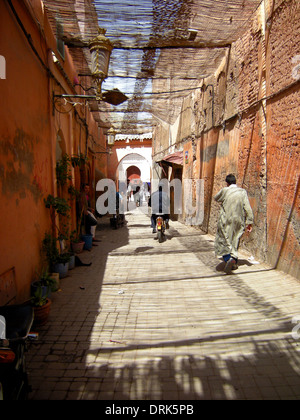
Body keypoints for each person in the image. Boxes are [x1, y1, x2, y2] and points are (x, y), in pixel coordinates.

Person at [214, 174, 253, 274]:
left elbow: (216, 198)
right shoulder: (242, 192)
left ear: (227, 183)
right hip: (239, 220)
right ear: (235, 181)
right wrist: (250, 222)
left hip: (225, 219)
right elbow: (247, 207)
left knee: (224, 240)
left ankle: (228, 259)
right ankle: (234, 260)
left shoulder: (225, 190)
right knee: (235, 240)